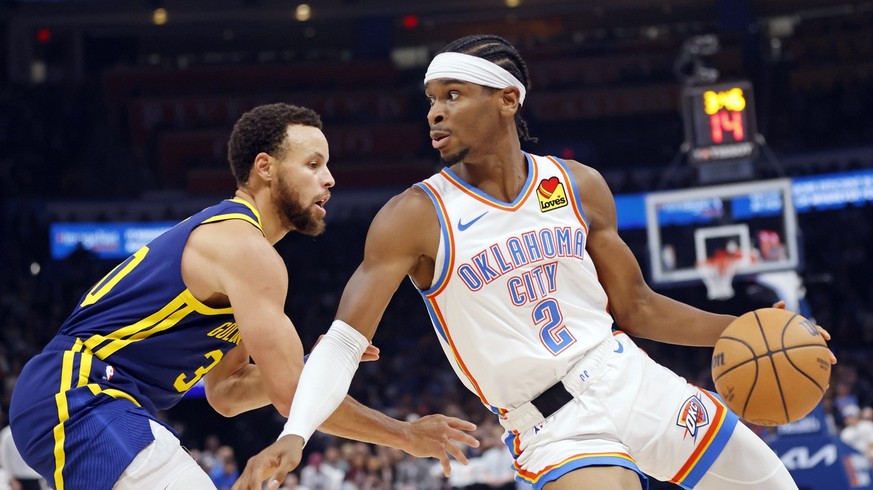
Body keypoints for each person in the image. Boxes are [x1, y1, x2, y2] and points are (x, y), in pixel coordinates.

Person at [233, 36, 836, 490]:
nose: (434, 113)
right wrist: (296, 434)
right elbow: (341, 343)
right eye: (430, 101)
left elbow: (637, 306)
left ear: (507, 99)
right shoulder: (414, 215)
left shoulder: (577, 185)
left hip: (631, 377)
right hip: (554, 422)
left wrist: (747, 330)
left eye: (452, 95)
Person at [8, 103, 477, 490]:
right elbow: (293, 396)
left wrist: (318, 366)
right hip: (79, 394)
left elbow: (227, 394)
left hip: (79, 403)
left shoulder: (242, 259)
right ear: (265, 168)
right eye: (313, 164)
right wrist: (405, 435)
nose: (330, 179)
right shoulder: (245, 251)